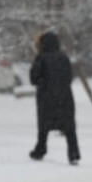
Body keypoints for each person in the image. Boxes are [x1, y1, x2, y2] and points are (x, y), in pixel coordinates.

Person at [28, 31, 80, 165]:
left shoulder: (41, 58)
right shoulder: (63, 57)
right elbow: (69, 77)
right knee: (69, 128)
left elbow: (34, 78)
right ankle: (73, 154)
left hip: (46, 98)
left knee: (44, 126)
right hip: (64, 97)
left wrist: (44, 83)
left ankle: (40, 149)